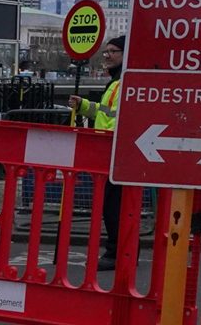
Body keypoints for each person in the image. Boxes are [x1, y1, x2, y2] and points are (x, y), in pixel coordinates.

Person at [68, 36, 125, 269]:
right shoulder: (115, 82)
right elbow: (104, 113)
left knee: (114, 207)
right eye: (106, 51)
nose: (107, 55)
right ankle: (119, 250)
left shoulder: (124, 82)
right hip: (109, 153)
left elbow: (118, 121)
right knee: (112, 206)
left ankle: (116, 253)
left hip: (113, 153)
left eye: (113, 51)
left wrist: (106, 145)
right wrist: (82, 105)